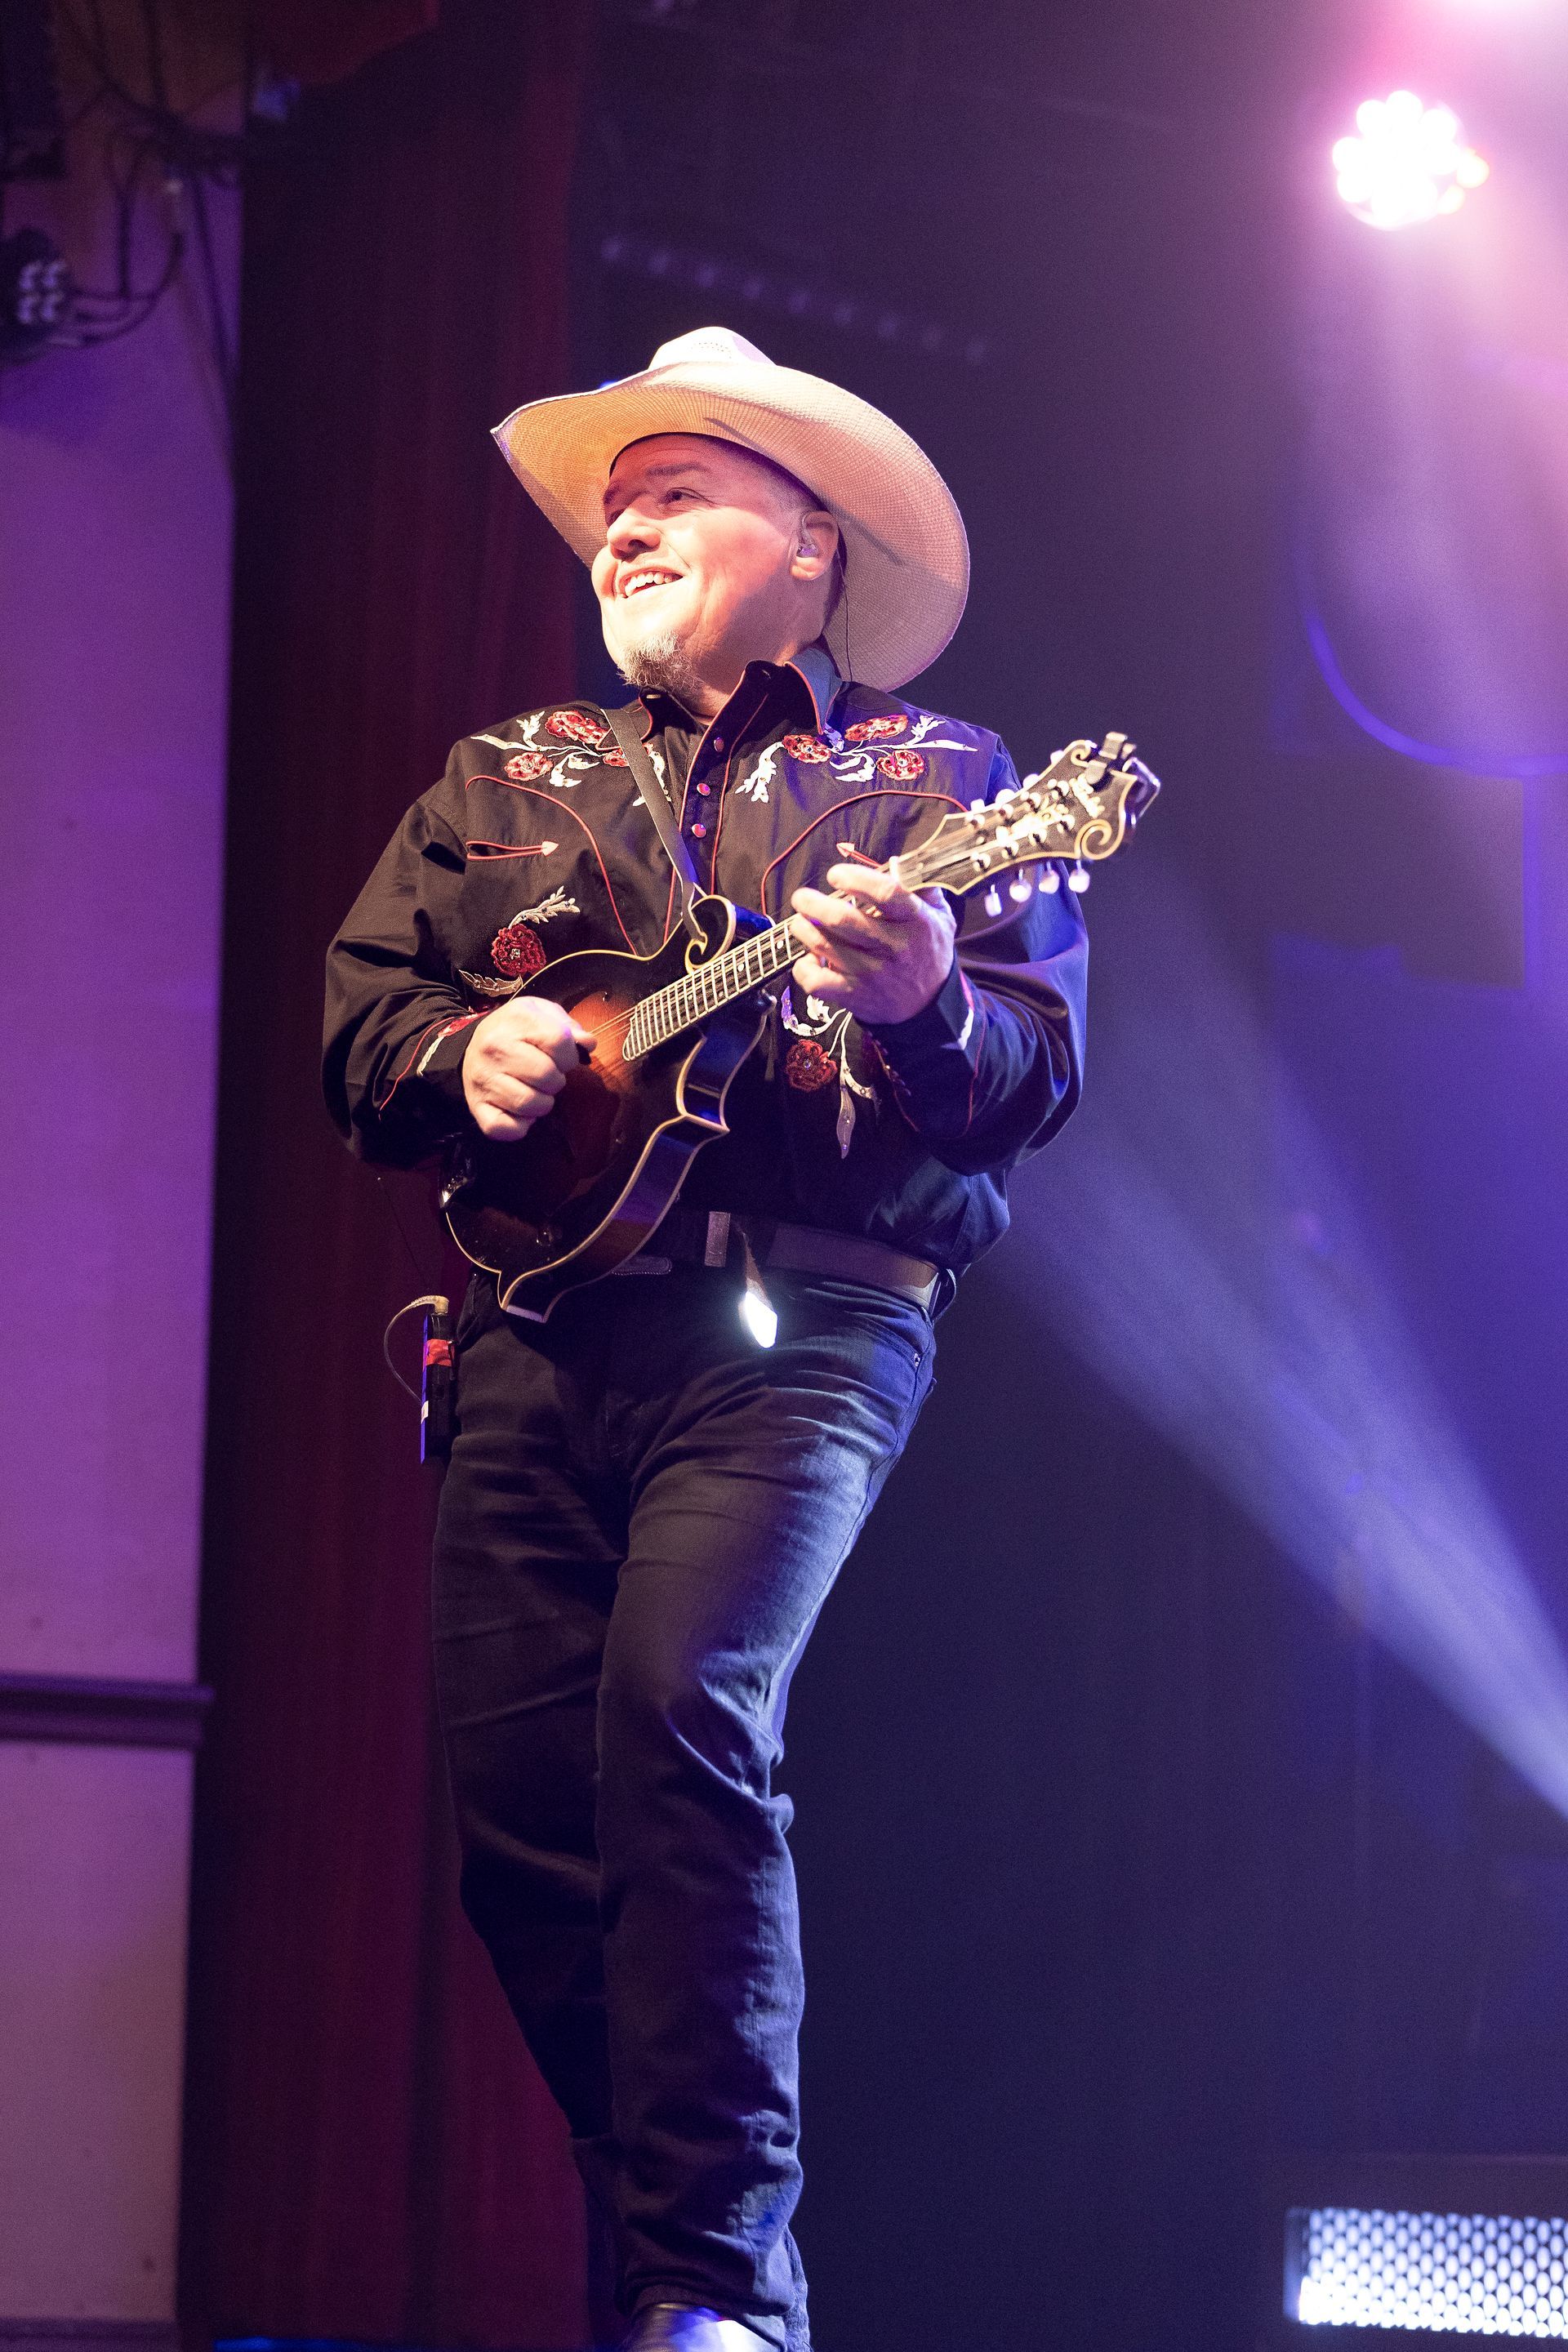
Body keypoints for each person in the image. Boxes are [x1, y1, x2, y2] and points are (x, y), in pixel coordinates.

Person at [323, 327, 1088, 2352]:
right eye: (609, 504)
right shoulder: (504, 777)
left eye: (676, 489)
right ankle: (689, 2242)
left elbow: (1023, 1082)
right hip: (523, 1336)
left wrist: (926, 994)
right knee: (520, 1833)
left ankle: (716, 2292)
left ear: (813, 542)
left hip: (806, 1325)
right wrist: (451, 1046)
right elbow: (356, 1025)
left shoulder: (947, 787)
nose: (621, 524)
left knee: (679, 1720)